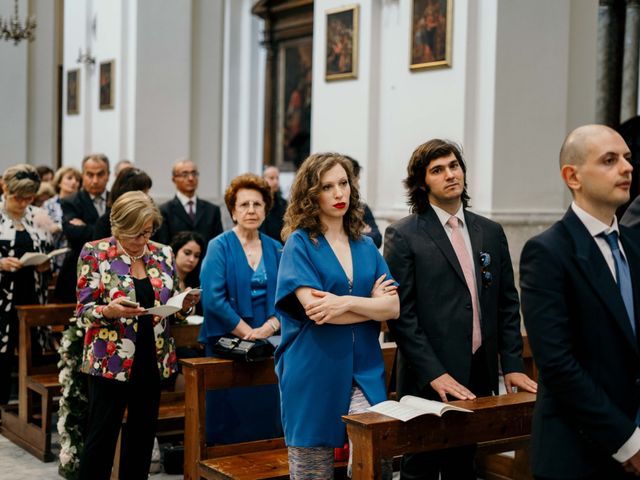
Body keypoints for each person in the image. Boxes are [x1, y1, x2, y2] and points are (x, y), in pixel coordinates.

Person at [383, 139, 537, 480]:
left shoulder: (490, 231)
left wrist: (511, 363)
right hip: (428, 376)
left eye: (454, 166)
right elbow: (401, 316)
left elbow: (507, 303)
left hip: (478, 371)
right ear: (423, 183)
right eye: (438, 170)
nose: (450, 174)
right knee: (420, 467)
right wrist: (434, 372)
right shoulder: (404, 235)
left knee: (464, 465)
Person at [521, 124, 640, 479]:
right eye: (609, 160)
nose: (627, 168)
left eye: (627, 159)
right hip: (578, 453)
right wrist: (627, 441)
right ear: (573, 176)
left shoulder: (633, 246)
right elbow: (558, 364)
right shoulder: (548, 252)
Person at [275, 153, 399, 479]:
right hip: (313, 365)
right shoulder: (299, 244)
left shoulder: (367, 245)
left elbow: (392, 308)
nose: (338, 193)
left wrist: (343, 303)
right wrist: (367, 305)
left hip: (365, 365)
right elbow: (317, 312)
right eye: (327, 187)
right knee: (312, 469)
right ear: (311, 194)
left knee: (376, 460)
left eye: (343, 183)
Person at [76, 191, 200, 479]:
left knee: (142, 439)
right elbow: (83, 310)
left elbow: (169, 307)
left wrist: (182, 305)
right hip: (110, 361)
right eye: (136, 235)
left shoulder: (163, 252)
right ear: (118, 228)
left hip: (152, 358)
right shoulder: (95, 252)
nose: (143, 241)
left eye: (148, 232)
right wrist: (110, 311)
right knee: (100, 440)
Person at [198, 173, 283, 444]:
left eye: (257, 204)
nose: (251, 210)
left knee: (264, 416)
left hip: (269, 344)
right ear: (233, 211)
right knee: (228, 420)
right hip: (228, 344)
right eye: (244, 204)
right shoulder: (218, 246)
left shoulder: (277, 248)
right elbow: (213, 299)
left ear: (265, 210)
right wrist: (248, 333)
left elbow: (290, 297)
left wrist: (268, 327)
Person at [0, 165, 52, 404]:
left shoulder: (37, 215)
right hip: (3, 296)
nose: (22, 203)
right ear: (4, 188)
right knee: (2, 352)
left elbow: (49, 249)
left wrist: (45, 264)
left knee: (33, 350)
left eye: (28, 198)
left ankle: (30, 407)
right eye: (17, 198)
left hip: (31, 292)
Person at [56, 154, 110, 302]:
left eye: (100, 174)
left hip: (112, 270)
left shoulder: (116, 200)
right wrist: (108, 232)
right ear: (83, 175)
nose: (95, 180)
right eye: (90, 174)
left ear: (108, 175)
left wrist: (87, 228)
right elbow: (73, 233)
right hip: (78, 269)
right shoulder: (71, 201)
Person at [155, 158, 223, 248]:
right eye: (184, 174)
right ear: (174, 179)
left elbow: (218, 244)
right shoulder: (164, 211)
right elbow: (162, 244)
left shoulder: (212, 210)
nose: (191, 178)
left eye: (194, 174)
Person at [94, 167, 153, 239]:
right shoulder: (104, 223)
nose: (147, 198)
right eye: (143, 192)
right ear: (126, 194)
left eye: (147, 192)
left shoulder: (150, 220)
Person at [43, 166, 82, 272]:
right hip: (54, 255)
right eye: (69, 178)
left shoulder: (81, 204)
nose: (74, 182)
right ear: (59, 182)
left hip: (76, 255)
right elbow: (48, 229)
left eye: (77, 180)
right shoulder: (49, 204)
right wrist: (66, 226)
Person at [345, 156, 382, 247]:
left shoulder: (362, 208)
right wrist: (360, 233)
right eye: (357, 181)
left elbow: (377, 239)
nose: (358, 186)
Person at [171, 230, 205, 316]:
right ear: (175, 251)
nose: (192, 259)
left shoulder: (196, 282)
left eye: (196, 256)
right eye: (187, 253)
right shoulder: (165, 280)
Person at [260, 165, 288, 242]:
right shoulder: (257, 203)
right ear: (263, 179)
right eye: (271, 178)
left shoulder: (283, 203)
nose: (275, 181)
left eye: (277, 178)